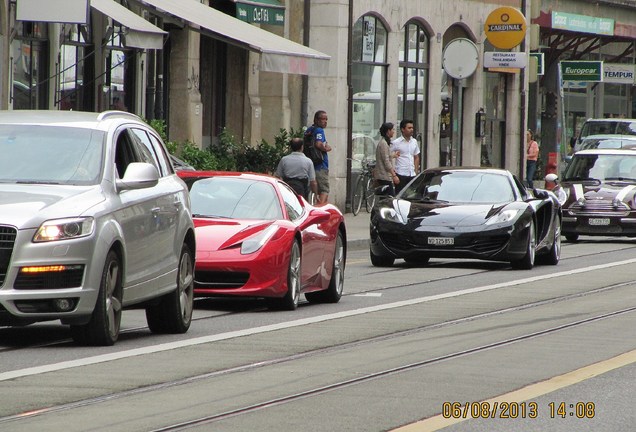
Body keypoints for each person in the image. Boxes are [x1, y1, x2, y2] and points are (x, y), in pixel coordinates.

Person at [306, 110, 332, 205]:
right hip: (320, 165)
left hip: (310, 164)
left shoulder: (309, 130)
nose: (325, 121)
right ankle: (320, 210)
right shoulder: (319, 130)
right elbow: (318, 143)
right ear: (316, 120)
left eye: (326, 119)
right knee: (324, 190)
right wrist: (326, 148)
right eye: (323, 119)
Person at [391, 119, 420, 193]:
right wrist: (393, 174)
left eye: (412, 128)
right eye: (409, 128)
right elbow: (387, 156)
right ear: (403, 129)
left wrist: (416, 172)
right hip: (401, 174)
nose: (411, 130)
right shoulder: (396, 143)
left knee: (412, 196)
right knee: (400, 197)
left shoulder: (414, 142)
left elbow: (416, 157)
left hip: (412, 174)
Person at [374, 122, 399, 195]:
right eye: (393, 129)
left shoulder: (384, 143)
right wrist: (394, 175)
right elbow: (386, 161)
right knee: (389, 196)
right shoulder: (383, 144)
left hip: (384, 176)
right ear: (388, 131)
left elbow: (386, 156)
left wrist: (393, 155)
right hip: (384, 176)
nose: (394, 131)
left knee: (385, 197)